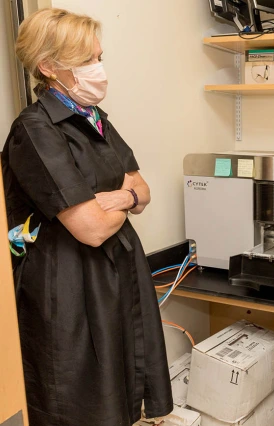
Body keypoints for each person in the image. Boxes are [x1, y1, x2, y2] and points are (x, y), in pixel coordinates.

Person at [2, 8, 172, 425]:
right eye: (87, 61)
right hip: (69, 283)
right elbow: (91, 229)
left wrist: (116, 198)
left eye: (99, 57)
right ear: (48, 66)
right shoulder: (36, 130)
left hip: (116, 273)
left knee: (120, 387)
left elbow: (143, 189)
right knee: (81, 400)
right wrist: (122, 199)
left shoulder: (94, 119)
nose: (99, 69)